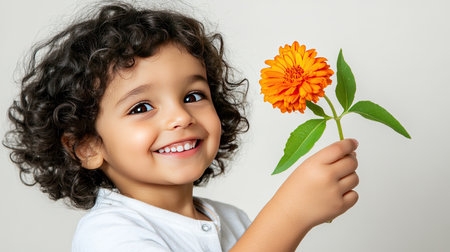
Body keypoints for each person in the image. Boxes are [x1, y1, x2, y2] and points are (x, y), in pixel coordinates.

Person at [4, 2, 359, 251]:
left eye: (192, 95)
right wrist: (289, 215)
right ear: (87, 147)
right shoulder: (108, 236)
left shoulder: (232, 220)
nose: (181, 117)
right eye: (142, 107)